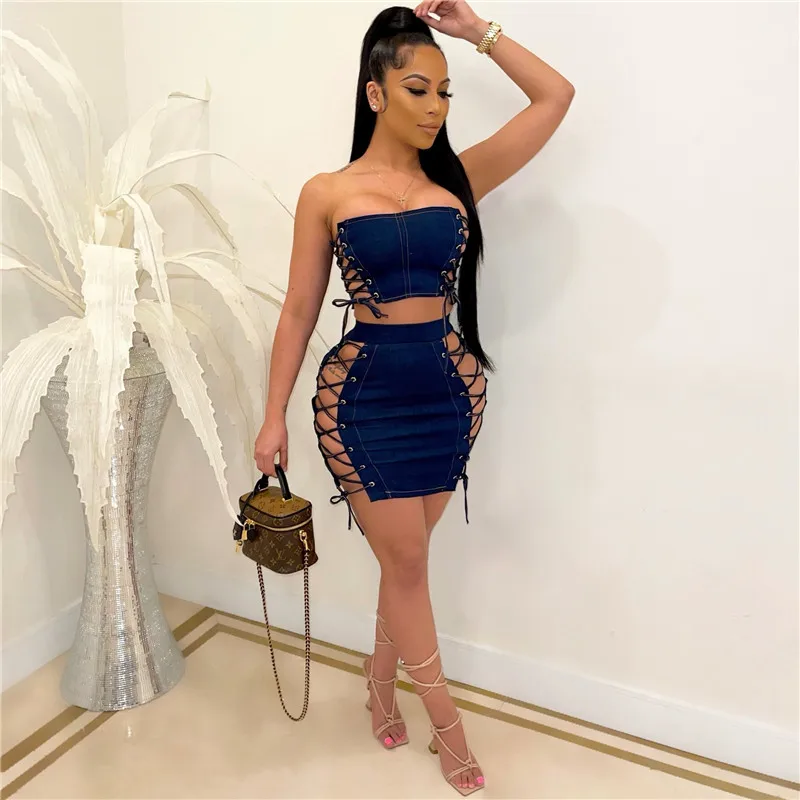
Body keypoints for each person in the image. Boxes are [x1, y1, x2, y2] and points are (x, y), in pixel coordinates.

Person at [254, 1, 574, 794]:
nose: (435, 108)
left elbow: (556, 97)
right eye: (418, 90)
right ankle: (449, 728)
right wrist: (271, 414)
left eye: (445, 93)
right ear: (376, 93)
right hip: (363, 399)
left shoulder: (458, 180)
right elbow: (299, 309)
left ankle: (379, 677)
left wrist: (476, 32)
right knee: (405, 560)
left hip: (448, 394)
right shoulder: (327, 192)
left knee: (407, 562)